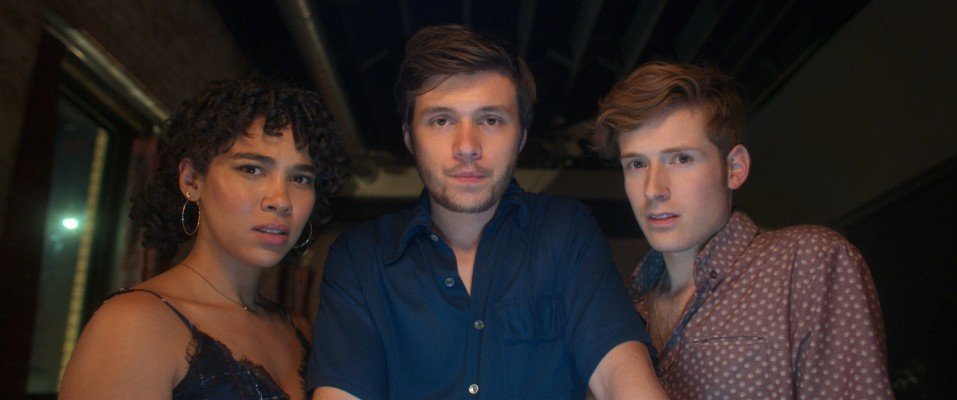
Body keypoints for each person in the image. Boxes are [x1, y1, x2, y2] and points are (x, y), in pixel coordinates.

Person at [307, 25, 666, 399]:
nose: (467, 146)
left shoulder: (565, 232)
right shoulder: (361, 260)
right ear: (410, 137)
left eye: (490, 120)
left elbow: (622, 378)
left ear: (521, 136)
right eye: (442, 120)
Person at [592, 61, 894, 399]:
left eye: (681, 159)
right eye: (636, 164)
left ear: (734, 168)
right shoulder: (621, 303)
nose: (653, 189)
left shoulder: (807, 263)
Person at [58, 78, 348, 399]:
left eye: (300, 178)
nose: (280, 200)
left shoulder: (295, 327)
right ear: (191, 180)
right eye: (251, 169)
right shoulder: (133, 323)